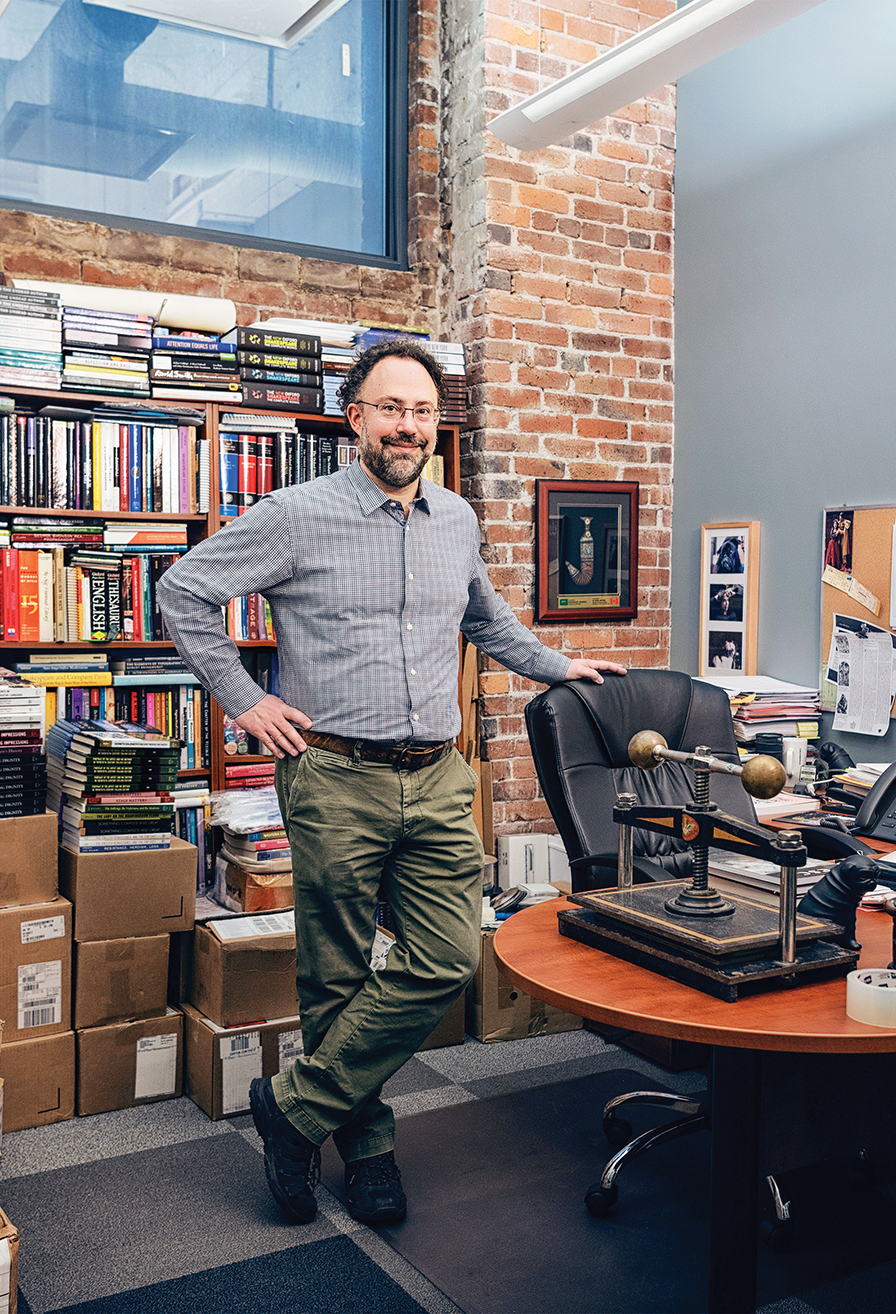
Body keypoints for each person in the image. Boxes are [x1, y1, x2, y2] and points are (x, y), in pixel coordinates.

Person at [158, 339, 625, 1228]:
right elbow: (184, 592)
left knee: (447, 957)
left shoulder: (455, 519)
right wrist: (244, 698)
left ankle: (293, 1111)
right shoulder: (296, 515)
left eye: (422, 411)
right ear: (356, 417)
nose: (408, 425)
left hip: (440, 776)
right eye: (391, 407)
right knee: (334, 976)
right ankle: (367, 1151)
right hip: (333, 772)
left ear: (435, 425)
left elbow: (486, 619)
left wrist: (561, 667)